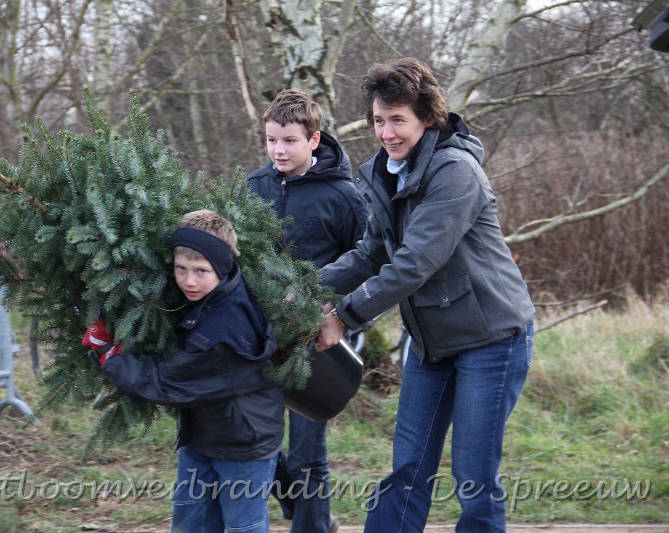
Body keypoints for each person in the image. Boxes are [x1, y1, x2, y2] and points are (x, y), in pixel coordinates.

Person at [315, 57, 536, 532]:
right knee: (409, 467)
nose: (386, 132)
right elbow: (371, 253)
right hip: (431, 342)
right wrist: (307, 289)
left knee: (473, 475)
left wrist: (344, 316)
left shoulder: (455, 171)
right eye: (379, 120)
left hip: (491, 338)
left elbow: (415, 262)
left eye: (398, 120)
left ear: (426, 118)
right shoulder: (382, 171)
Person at [82, 209, 284, 533]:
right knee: (192, 520)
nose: (189, 281)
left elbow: (168, 383)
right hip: (203, 432)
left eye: (201, 271)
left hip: (243, 442)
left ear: (221, 266)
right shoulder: (217, 290)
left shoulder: (222, 332)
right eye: (180, 268)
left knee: (244, 526)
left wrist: (110, 356)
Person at [247, 89, 368, 533]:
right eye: (271, 140)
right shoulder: (253, 187)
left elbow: (369, 261)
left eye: (289, 141)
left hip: (318, 339)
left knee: (306, 450)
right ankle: (308, 514)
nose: (278, 150)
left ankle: (313, 526)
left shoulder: (344, 195)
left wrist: (342, 314)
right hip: (260, 336)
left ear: (314, 139)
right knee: (253, 437)